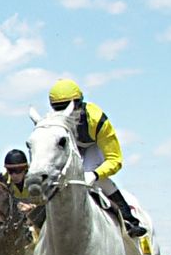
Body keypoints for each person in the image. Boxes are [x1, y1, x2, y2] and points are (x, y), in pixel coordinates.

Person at [46, 79, 147, 237]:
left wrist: (94, 175)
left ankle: (129, 221)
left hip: (93, 147)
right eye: (58, 108)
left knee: (92, 174)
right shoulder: (50, 124)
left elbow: (115, 160)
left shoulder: (96, 119)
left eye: (70, 107)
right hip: (70, 149)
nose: (65, 113)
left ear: (80, 104)